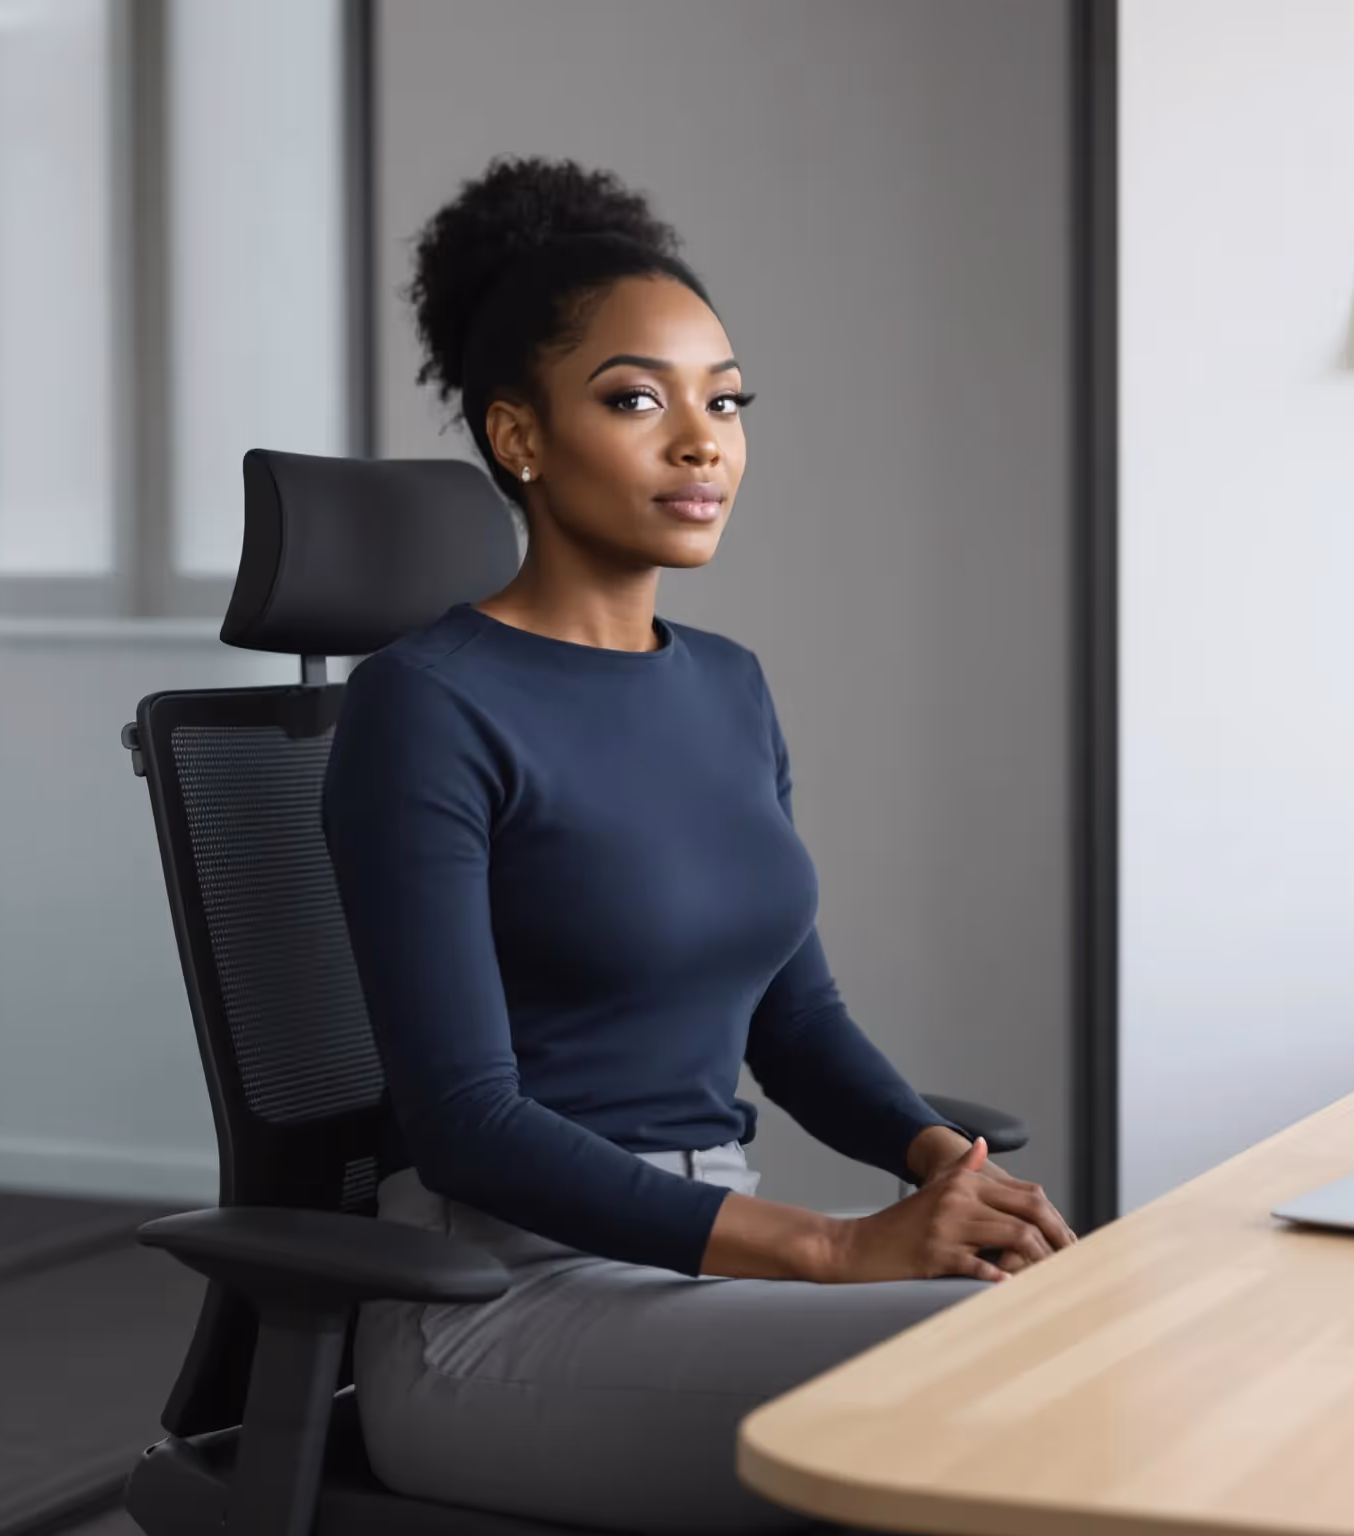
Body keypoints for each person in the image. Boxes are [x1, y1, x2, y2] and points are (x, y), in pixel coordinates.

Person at [322, 157, 1077, 1535]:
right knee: (1013, 1384)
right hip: (500, 1306)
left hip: (716, 1267)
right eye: (636, 399)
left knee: (1118, 1316)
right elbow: (470, 1129)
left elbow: (797, 1020)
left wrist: (939, 1167)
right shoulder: (423, 708)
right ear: (520, 436)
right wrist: (837, 1252)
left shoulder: (726, 683)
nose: (702, 441)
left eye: (724, 400)